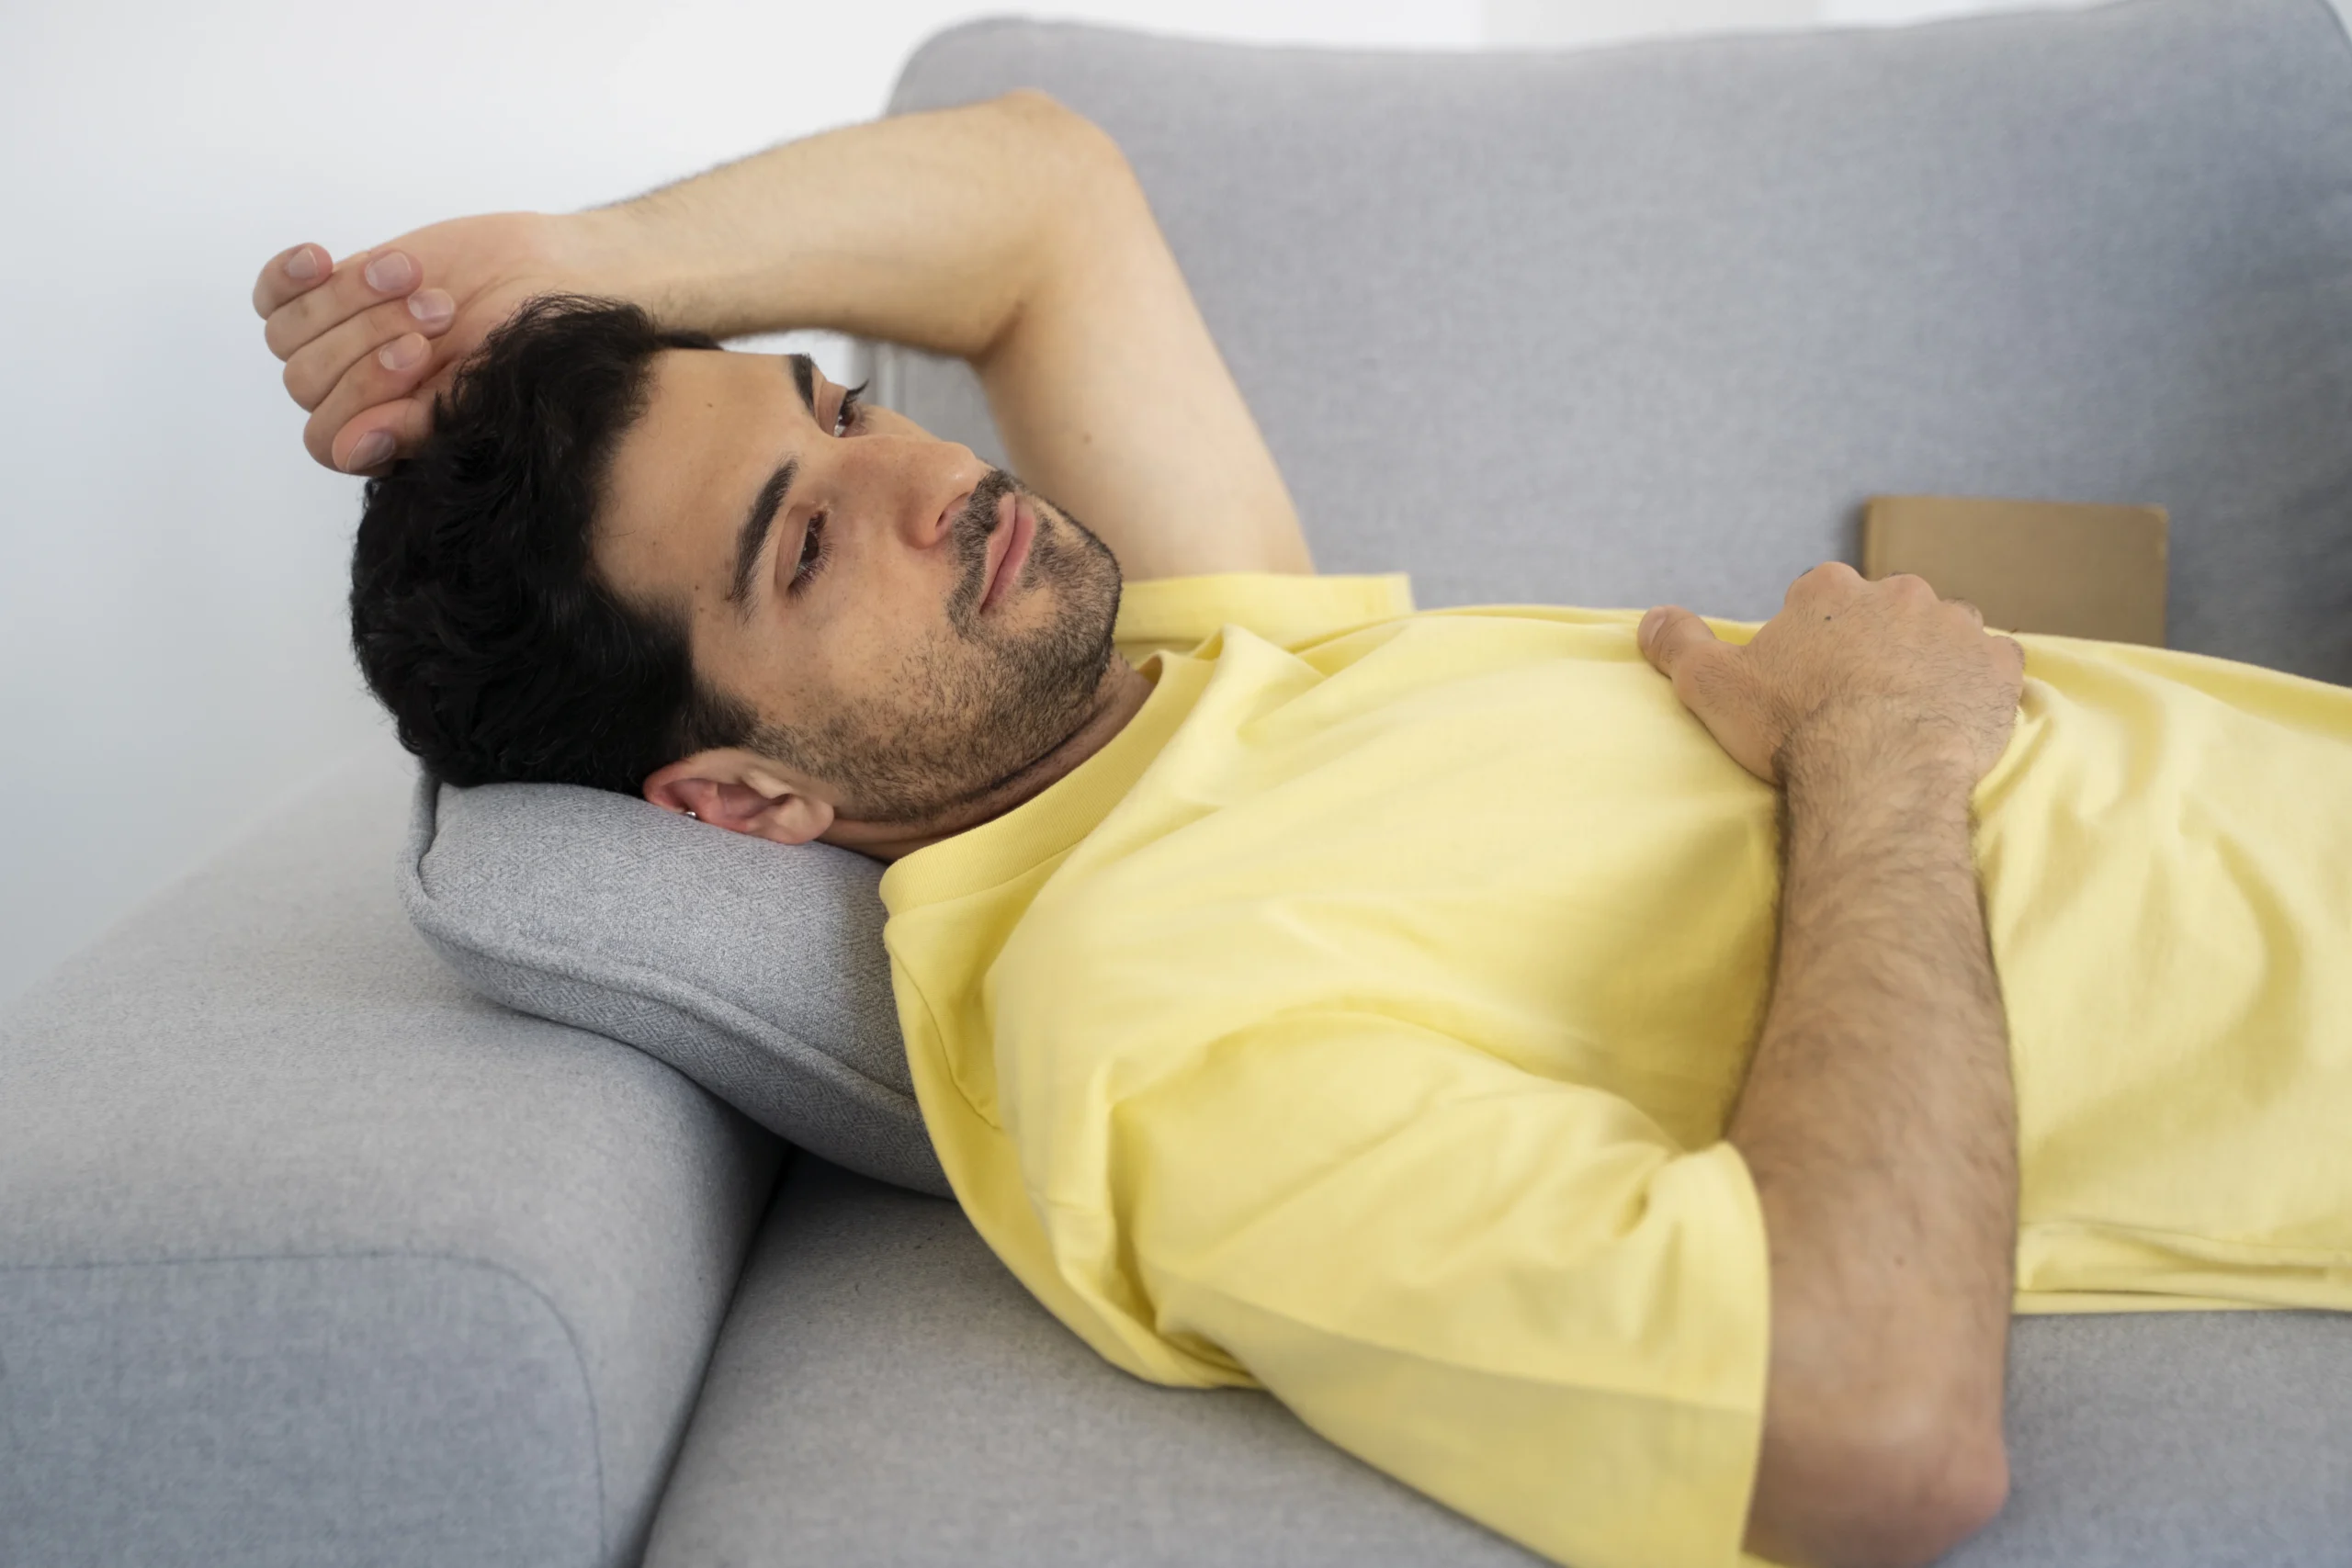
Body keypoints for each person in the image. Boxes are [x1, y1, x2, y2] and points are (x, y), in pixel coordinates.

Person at [253, 92, 2352, 1568]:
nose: (924, 480)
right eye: (804, 548)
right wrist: (1883, 751)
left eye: (837, 402)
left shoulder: (1156, 671)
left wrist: (569, 271)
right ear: (738, 800)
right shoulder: (1142, 1016)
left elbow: (1041, 197)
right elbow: (1865, 1440)